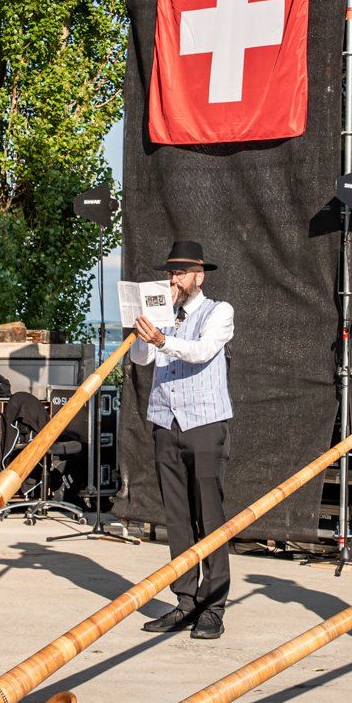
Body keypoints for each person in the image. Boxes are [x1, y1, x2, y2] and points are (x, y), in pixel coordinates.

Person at [133, 239, 236, 640]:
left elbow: (202, 351)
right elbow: (141, 361)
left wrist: (161, 341)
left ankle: (214, 605)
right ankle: (185, 601)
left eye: (181, 272)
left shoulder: (219, 311)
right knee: (176, 517)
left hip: (205, 424)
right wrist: (145, 332)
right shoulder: (164, 314)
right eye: (171, 272)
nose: (174, 279)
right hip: (166, 422)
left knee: (209, 517)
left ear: (199, 275)